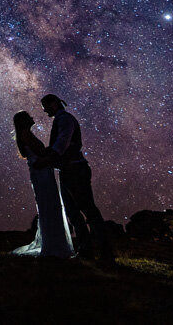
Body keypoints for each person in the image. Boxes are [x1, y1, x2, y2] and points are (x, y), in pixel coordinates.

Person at [31, 93, 116, 266]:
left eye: (45, 107)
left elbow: (62, 143)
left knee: (87, 209)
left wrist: (46, 159)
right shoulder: (62, 120)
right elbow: (59, 146)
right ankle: (86, 251)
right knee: (73, 212)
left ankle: (105, 252)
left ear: (54, 103)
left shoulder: (65, 120)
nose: (45, 111)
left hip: (75, 169)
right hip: (68, 170)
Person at [10, 111, 75, 259]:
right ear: (24, 120)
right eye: (29, 116)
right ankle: (54, 246)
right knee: (50, 205)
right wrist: (53, 151)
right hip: (41, 173)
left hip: (40, 172)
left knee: (48, 205)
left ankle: (54, 244)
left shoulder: (24, 134)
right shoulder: (26, 133)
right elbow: (40, 152)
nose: (33, 117)